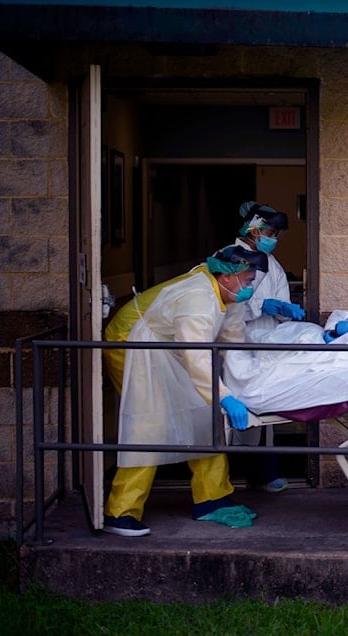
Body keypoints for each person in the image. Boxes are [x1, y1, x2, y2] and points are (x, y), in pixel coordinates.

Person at [103, 245, 268, 536]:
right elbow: (196, 356)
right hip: (133, 341)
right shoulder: (198, 299)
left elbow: (231, 338)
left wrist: (247, 378)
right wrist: (226, 397)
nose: (251, 285)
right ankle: (121, 511)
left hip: (171, 347)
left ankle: (212, 499)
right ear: (228, 277)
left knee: (203, 416)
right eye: (248, 278)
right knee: (149, 425)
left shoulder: (227, 294)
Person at [229, 201, 302, 494]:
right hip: (236, 347)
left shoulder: (273, 265)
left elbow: (281, 307)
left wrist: (287, 311)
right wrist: (261, 306)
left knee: (263, 415)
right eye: (270, 232)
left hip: (265, 347)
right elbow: (228, 307)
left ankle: (263, 473)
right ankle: (224, 477)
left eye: (278, 234)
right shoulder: (229, 258)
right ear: (254, 228)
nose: (274, 238)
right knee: (234, 417)